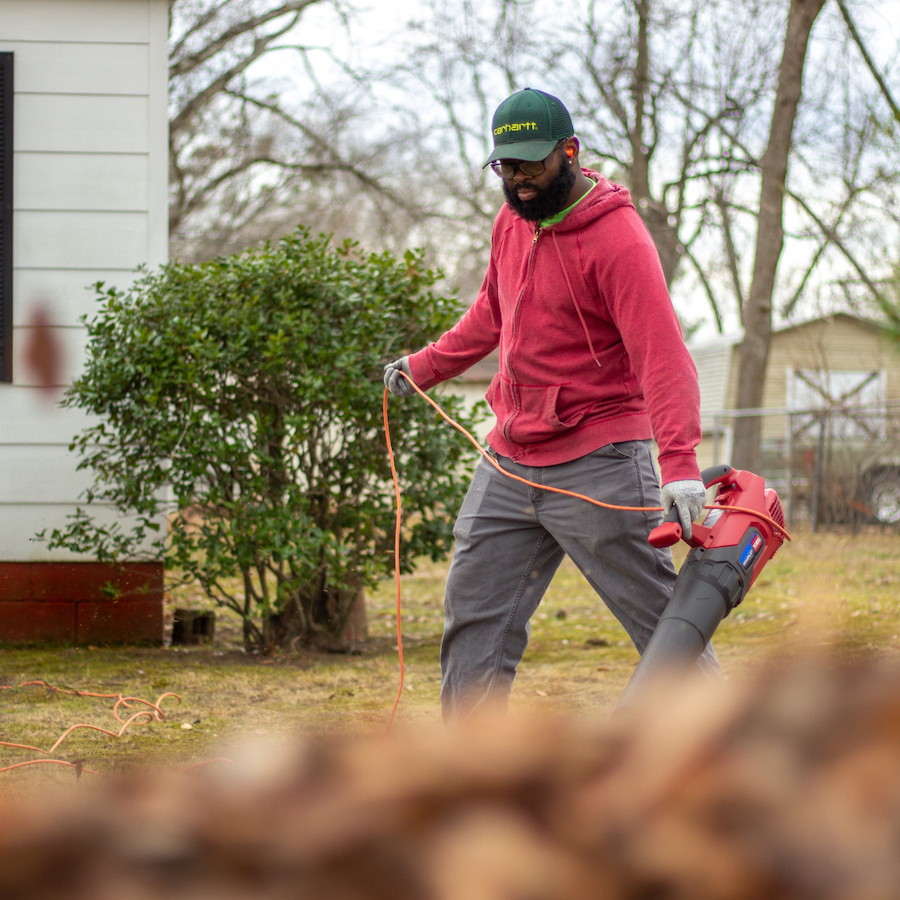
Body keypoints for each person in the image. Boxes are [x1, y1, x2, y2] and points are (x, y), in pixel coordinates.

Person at [384, 87, 719, 720]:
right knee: (473, 611)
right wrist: (425, 368)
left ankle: (730, 754)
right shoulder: (512, 220)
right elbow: (492, 311)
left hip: (601, 458)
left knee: (661, 623)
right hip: (510, 458)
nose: (517, 180)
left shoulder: (618, 240)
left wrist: (678, 462)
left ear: (569, 152)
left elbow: (662, 354)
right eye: (505, 166)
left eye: (531, 165)